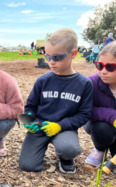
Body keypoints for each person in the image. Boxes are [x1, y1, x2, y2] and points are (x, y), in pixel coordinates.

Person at [19, 28, 93, 174]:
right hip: (40, 126)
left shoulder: (84, 84)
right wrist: (29, 120)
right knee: (28, 166)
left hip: (64, 128)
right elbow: (31, 106)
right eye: (48, 57)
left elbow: (84, 115)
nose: (51, 62)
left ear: (73, 54)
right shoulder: (42, 81)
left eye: (58, 57)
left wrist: (59, 126)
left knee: (69, 149)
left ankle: (65, 158)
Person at [84, 41, 116, 170]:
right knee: (102, 130)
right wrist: (112, 116)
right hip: (97, 124)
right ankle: (100, 149)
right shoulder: (91, 82)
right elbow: (85, 110)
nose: (103, 71)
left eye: (110, 67)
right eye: (99, 65)